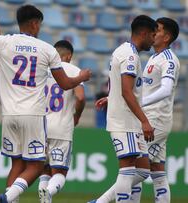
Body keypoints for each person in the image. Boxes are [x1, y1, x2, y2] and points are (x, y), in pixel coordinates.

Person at [0, 4, 91, 202]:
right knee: (36, 166)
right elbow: (65, 83)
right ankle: (8, 197)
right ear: (35, 24)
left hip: (9, 115)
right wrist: (81, 77)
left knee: (16, 166)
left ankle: (9, 198)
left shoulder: (4, 42)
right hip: (34, 115)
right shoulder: (47, 50)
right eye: (39, 24)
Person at [90, 15, 157, 203]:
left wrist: (110, 96)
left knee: (143, 171)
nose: (153, 40)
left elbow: (121, 87)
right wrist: (145, 120)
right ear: (143, 33)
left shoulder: (126, 51)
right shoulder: (129, 55)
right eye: (152, 35)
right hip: (125, 121)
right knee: (126, 171)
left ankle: (99, 202)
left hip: (129, 121)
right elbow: (127, 92)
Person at [38, 40, 86, 203]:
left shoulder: (43, 69)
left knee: (44, 170)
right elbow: (80, 97)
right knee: (59, 173)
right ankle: (49, 192)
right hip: (61, 127)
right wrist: (77, 116)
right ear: (69, 56)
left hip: (40, 127)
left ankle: (45, 198)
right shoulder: (74, 70)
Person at [140, 17, 180, 203]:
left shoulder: (169, 60)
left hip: (155, 120)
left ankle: (103, 200)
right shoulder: (153, 57)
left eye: (158, 29)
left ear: (167, 37)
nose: (153, 32)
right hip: (151, 118)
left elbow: (165, 89)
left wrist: (140, 102)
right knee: (157, 169)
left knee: (134, 167)